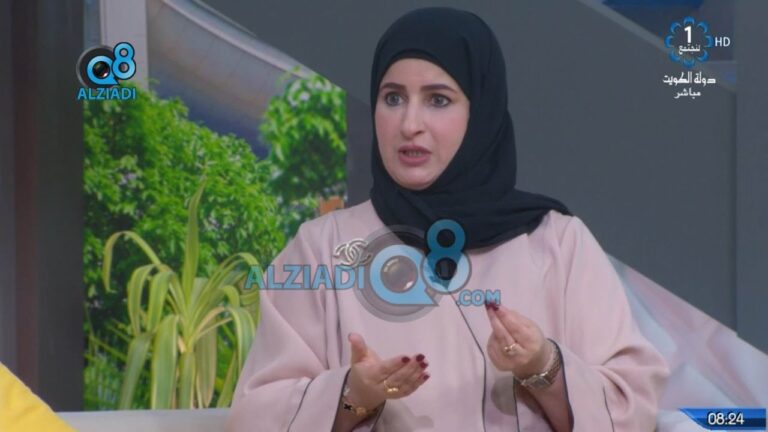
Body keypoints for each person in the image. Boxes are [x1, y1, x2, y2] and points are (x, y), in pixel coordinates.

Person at [226, 7, 668, 432]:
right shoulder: (323, 248)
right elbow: (256, 416)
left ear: (481, 112)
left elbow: (632, 408)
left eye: (438, 100)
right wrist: (351, 396)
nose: (409, 124)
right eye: (393, 98)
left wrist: (544, 367)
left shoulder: (557, 241)